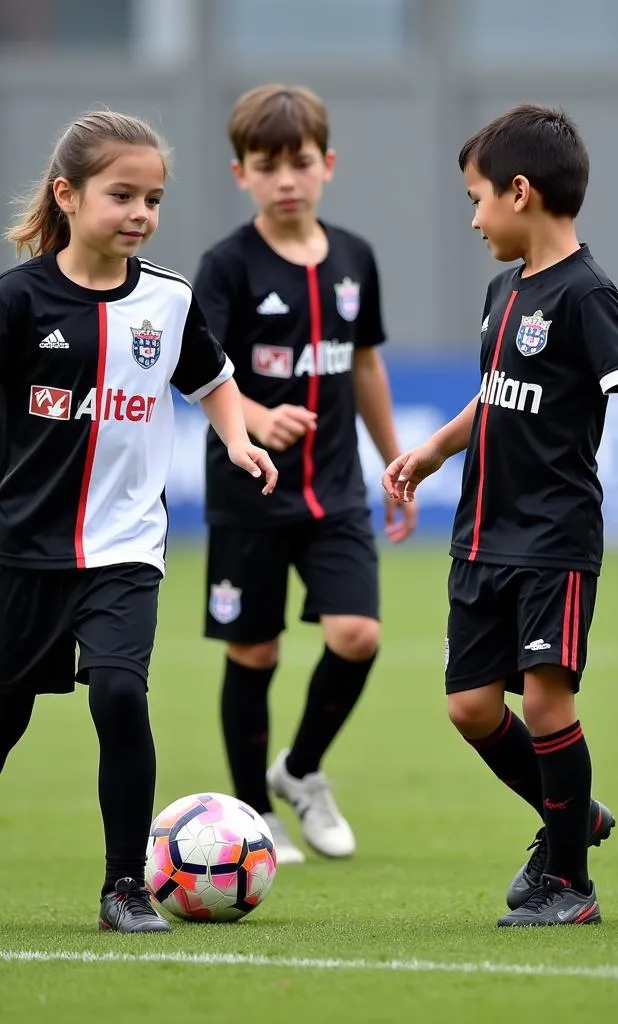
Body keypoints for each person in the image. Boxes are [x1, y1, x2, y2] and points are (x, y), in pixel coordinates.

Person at [383, 104, 618, 927]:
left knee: (546, 704)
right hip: (479, 537)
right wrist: (432, 451)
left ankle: (570, 884)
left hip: (553, 541)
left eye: (476, 197)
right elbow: (494, 400)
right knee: (470, 707)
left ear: (519, 192)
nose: (473, 216)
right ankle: (575, 815)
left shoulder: (587, 294)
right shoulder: (504, 289)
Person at [0, 111, 277, 932]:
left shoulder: (168, 300)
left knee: (120, 694)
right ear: (68, 194)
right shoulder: (18, 302)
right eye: (121, 194)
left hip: (125, 546)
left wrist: (238, 439)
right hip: (22, 549)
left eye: (152, 199)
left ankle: (125, 887)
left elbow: (214, 378)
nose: (140, 214)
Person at [194, 84, 413, 866]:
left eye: (301, 162)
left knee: (357, 636)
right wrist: (256, 419)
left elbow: (366, 365)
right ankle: (254, 811)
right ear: (240, 173)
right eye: (267, 165)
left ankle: (302, 768)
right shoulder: (224, 266)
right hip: (249, 493)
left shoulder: (355, 257)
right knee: (256, 653)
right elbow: (203, 372)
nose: (287, 178)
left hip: (335, 492)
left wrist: (396, 461)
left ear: (329, 164)